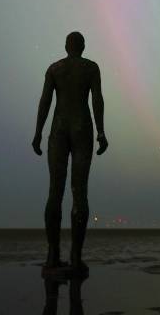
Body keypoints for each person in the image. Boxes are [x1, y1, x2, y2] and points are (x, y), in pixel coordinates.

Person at [32, 31, 109, 275]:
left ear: (66, 46)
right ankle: (75, 256)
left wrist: (37, 132)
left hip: (59, 129)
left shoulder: (55, 68)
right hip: (81, 128)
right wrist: (101, 132)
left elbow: (45, 101)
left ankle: (53, 254)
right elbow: (97, 99)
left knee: (55, 191)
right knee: (79, 192)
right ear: (83, 47)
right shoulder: (90, 68)